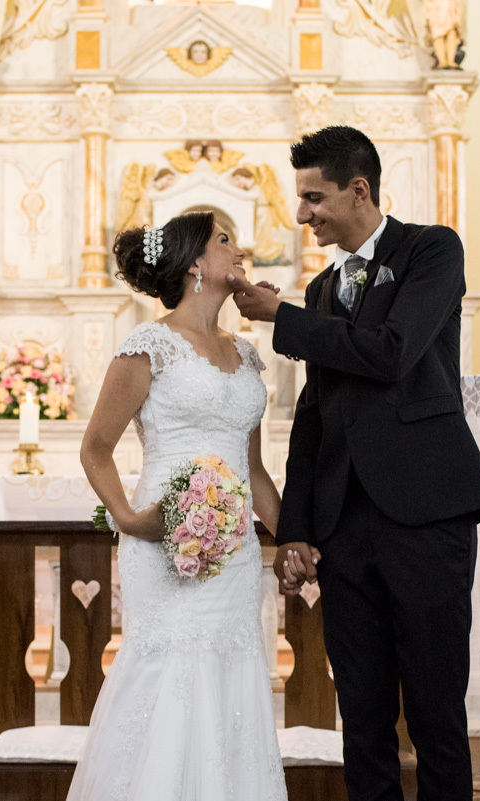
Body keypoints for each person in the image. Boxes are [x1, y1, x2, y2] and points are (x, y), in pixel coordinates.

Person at [230, 125, 480, 801]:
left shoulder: (432, 250)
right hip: (346, 529)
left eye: (314, 197)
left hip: (427, 515)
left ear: (359, 189)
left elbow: (391, 350)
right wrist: (294, 528)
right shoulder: (323, 290)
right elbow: (314, 419)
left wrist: (282, 317)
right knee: (364, 717)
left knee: (436, 713)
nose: (302, 215)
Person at [72, 211, 298, 800]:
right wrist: (126, 518)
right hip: (163, 539)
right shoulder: (149, 346)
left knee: (233, 671)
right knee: (169, 667)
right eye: (225, 239)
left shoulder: (247, 355)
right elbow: (95, 448)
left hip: (236, 553)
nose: (239, 248)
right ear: (195, 262)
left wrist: (295, 535)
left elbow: (253, 471)